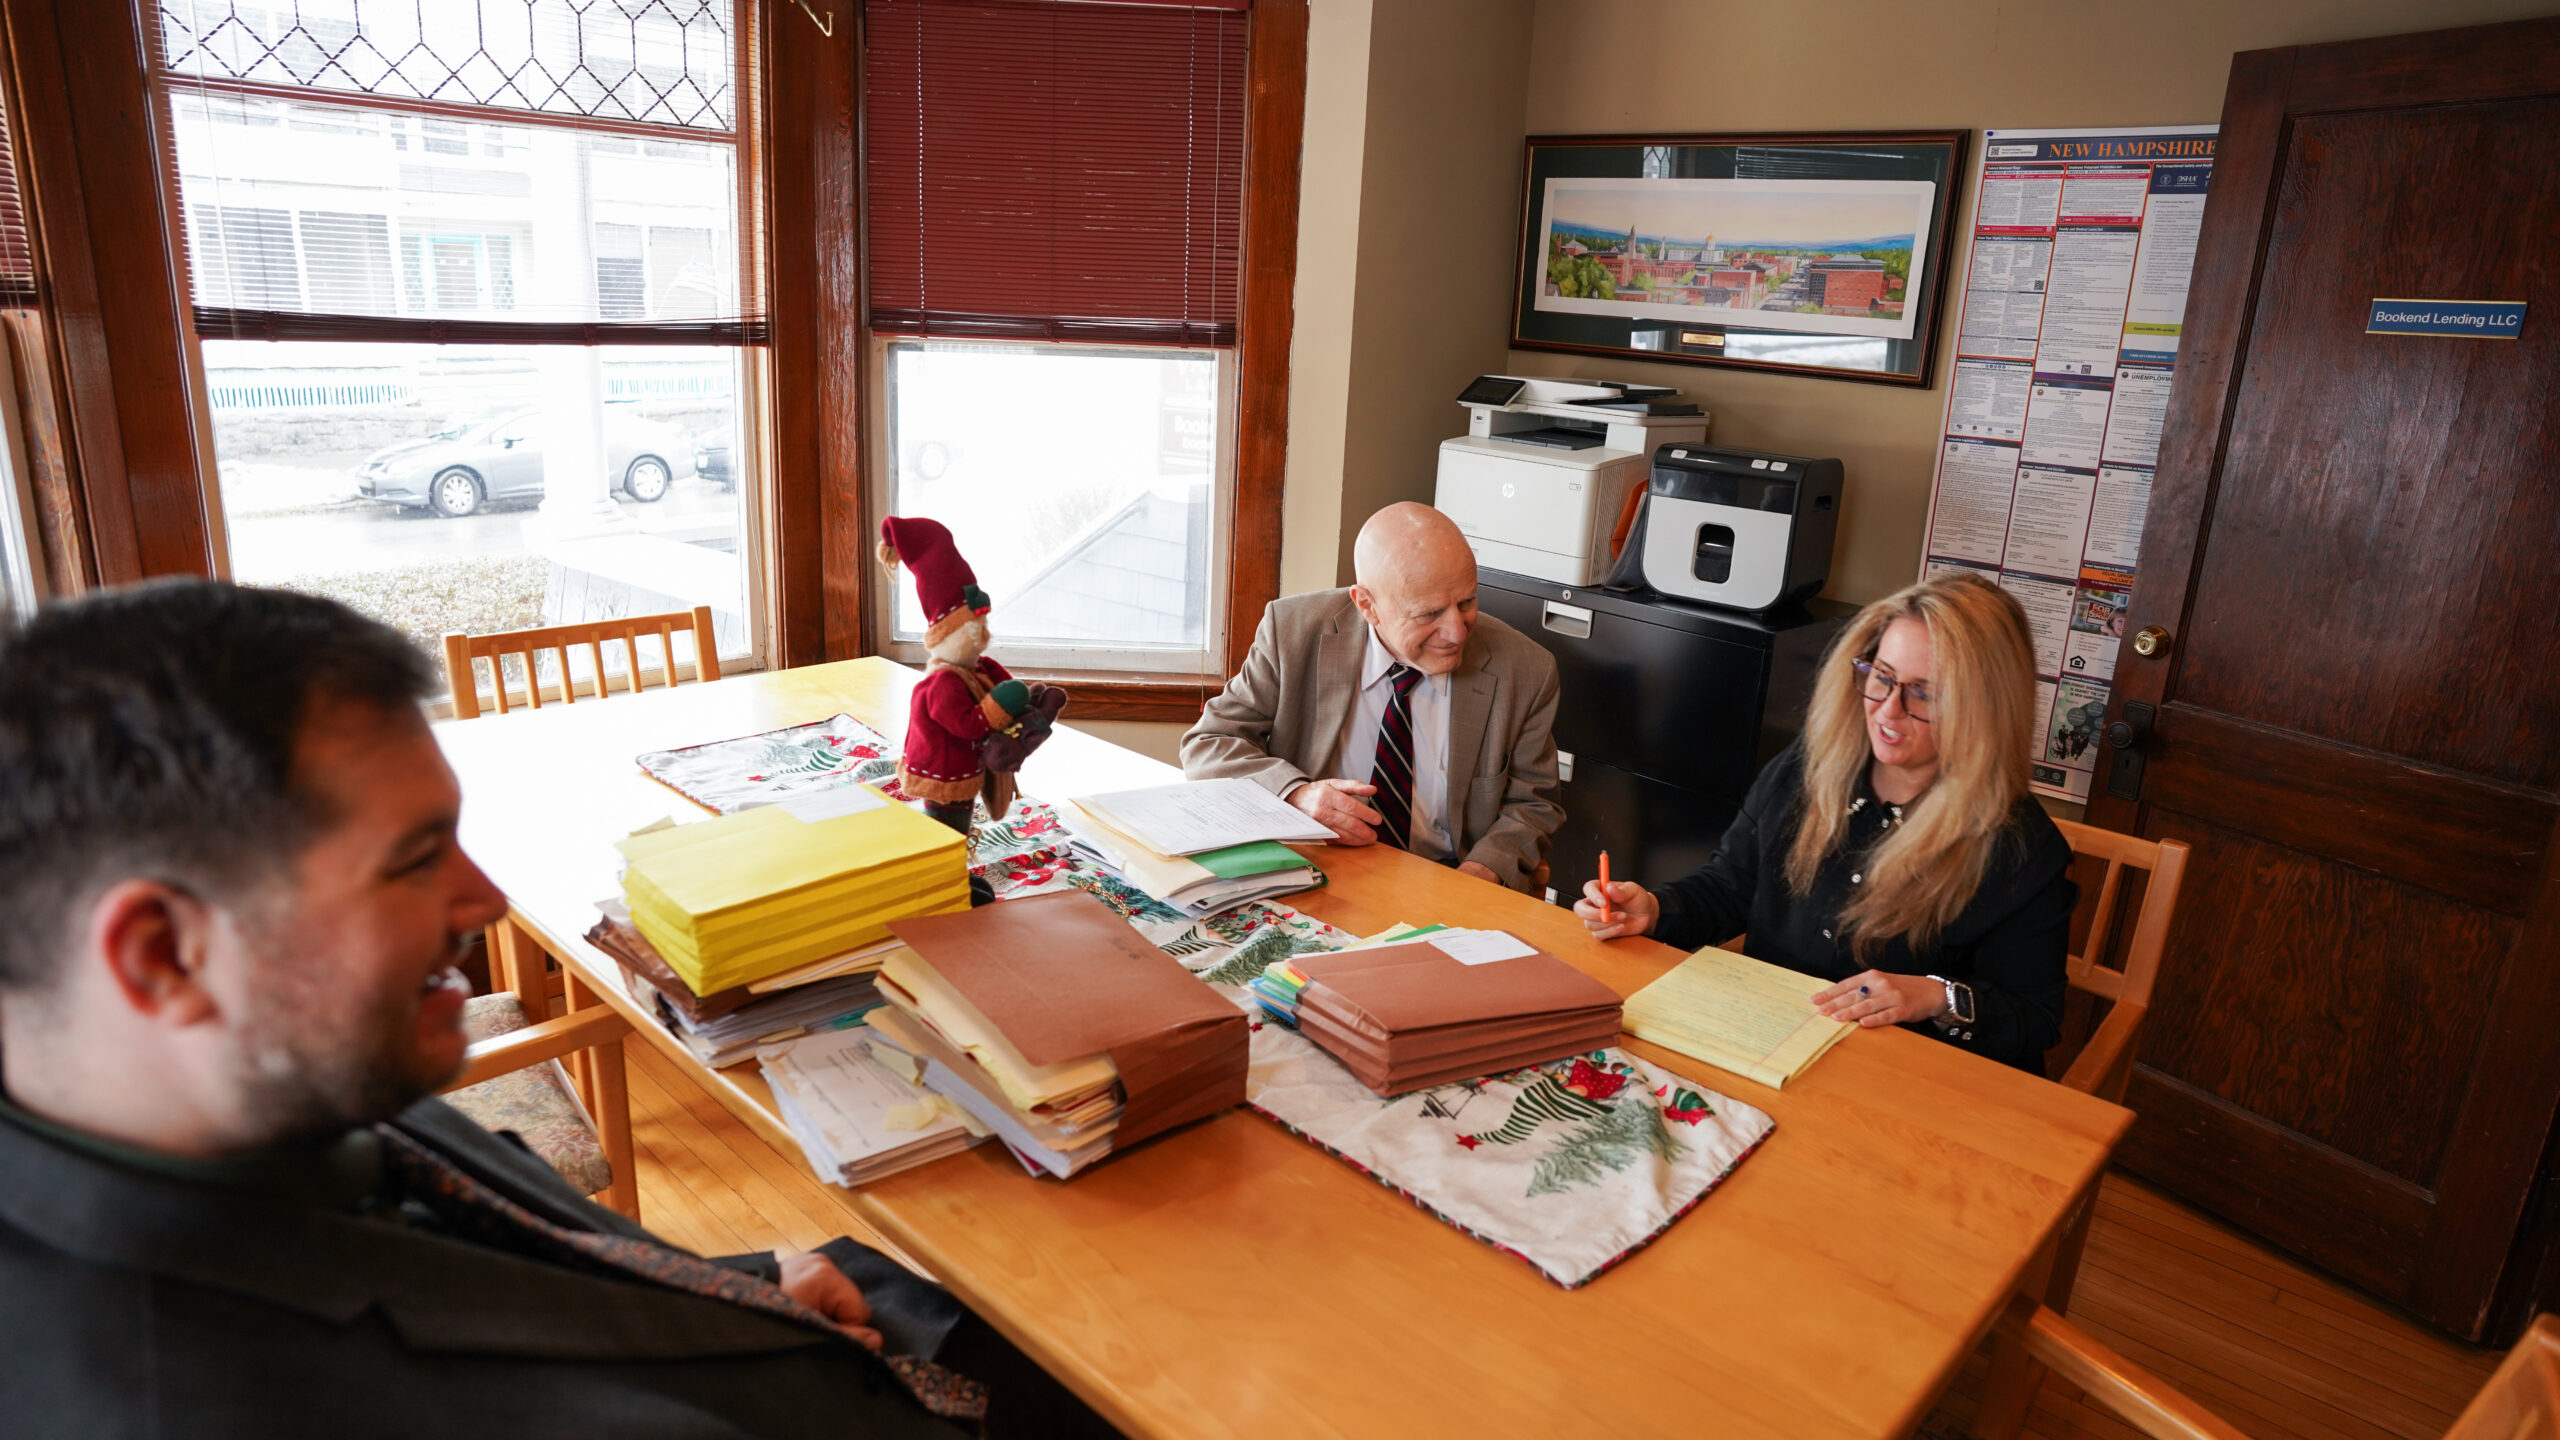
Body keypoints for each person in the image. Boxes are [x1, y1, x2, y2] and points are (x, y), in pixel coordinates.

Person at [0, 580, 1109, 1438]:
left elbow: (499, 1269)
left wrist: (741, 1285)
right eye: (414, 858)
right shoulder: (194, 1397)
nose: (482, 901)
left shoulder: (244, 1087)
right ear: (162, 955)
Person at [1574, 572, 2074, 1072]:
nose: (1888, 711)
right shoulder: (1809, 766)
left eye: (1925, 694)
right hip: (1768, 1042)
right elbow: (1731, 886)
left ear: (1984, 708)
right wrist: (1657, 909)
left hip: (1900, 1079)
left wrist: (1935, 996)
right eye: (1882, 676)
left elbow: (2034, 1018)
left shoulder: (2019, 846)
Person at [1182, 502, 1563, 892]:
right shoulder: (1292, 632)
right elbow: (1209, 744)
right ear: (1367, 604)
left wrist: (1478, 877)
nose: (1457, 632)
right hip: (1316, 871)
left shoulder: (1526, 669)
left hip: (1448, 878)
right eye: (1429, 613)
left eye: (1466, 602)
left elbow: (1534, 806)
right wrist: (1296, 794)